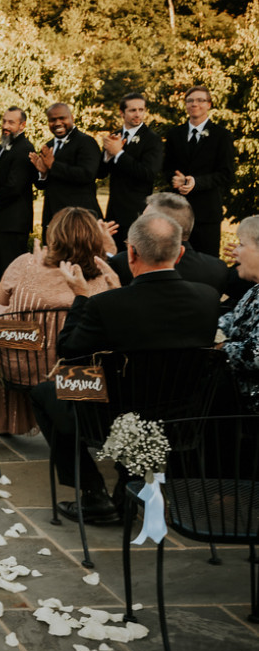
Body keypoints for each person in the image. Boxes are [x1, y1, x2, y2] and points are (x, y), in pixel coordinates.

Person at [30, 213, 219, 523]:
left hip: (108, 419)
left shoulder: (106, 305)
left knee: (45, 392)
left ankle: (93, 493)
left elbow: (69, 353)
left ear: (131, 252)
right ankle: (124, 489)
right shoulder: (208, 298)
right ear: (180, 253)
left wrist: (80, 297)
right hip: (180, 419)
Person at [0, 207, 115, 437]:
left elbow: (1, 296)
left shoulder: (26, 263)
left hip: (21, 369)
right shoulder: (106, 275)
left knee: (2, 308)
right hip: (81, 378)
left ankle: (9, 416)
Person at [163, 86, 237, 256]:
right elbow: (167, 168)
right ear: (186, 105)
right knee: (176, 260)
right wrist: (175, 179)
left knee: (207, 261)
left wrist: (195, 182)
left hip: (207, 213)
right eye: (190, 100)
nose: (194, 104)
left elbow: (226, 174)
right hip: (178, 212)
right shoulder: (175, 134)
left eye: (200, 100)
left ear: (209, 104)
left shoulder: (222, 135)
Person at [106, 192, 228, 292]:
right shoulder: (217, 269)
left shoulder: (123, 263)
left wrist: (105, 251)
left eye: (143, 219)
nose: (138, 223)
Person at [97, 93, 163, 253]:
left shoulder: (152, 139)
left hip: (137, 211)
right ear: (122, 113)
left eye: (141, 110)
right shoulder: (115, 136)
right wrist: (107, 154)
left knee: (135, 257)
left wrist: (119, 154)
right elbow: (100, 173)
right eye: (133, 110)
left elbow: (148, 173)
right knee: (112, 256)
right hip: (114, 211)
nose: (138, 114)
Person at [30, 103, 101, 241]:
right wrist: (43, 174)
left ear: (72, 118)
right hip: (53, 217)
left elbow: (87, 174)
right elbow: (42, 185)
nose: (57, 123)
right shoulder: (48, 146)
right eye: (52, 120)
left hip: (79, 217)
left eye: (62, 118)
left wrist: (53, 166)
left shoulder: (86, 142)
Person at [0, 107, 37, 283]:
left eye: (11, 122)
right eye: (4, 121)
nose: (6, 126)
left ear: (23, 125)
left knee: (12, 274)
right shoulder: (2, 148)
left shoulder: (24, 149)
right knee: (0, 272)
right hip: (0, 221)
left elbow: (14, 187)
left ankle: (12, 309)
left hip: (13, 223)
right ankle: (2, 308)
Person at [217, 216, 259, 412]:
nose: (234, 251)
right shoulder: (253, 291)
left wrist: (221, 348)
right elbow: (230, 320)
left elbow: (256, 354)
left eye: (241, 244)